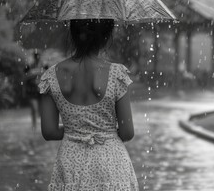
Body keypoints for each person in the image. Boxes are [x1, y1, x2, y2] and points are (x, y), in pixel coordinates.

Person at [38, 19, 139, 190]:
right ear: (106, 37)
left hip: (71, 163)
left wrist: (77, 130)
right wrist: (101, 130)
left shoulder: (51, 76)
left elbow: (49, 131)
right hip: (111, 163)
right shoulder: (116, 74)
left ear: (73, 33)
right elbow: (127, 132)